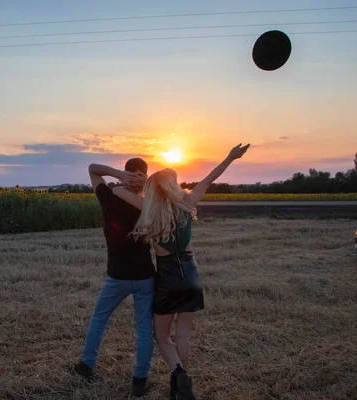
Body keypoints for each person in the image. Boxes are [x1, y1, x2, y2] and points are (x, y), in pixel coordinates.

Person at [112, 143, 250, 400]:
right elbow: (211, 177)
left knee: (162, 336)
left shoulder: (149, 209)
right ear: (174, 187)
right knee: (183, 333)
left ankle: (179, 375)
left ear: (154, 190)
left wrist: (130, 181)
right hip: (192, 273)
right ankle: (182, 385)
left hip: (167, 277)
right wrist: (231, 156)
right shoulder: (187, 203)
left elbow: (118, 192)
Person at [73, 158, 156, 397]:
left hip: (117, 276)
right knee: (143, 328)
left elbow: (92, 169)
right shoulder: (147, 204)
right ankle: (140, 380)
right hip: (145, 276)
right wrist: (146, 183)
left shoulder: (108, 197)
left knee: (99, 318)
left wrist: (117, 173)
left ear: (125, 174)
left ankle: (86, 366)